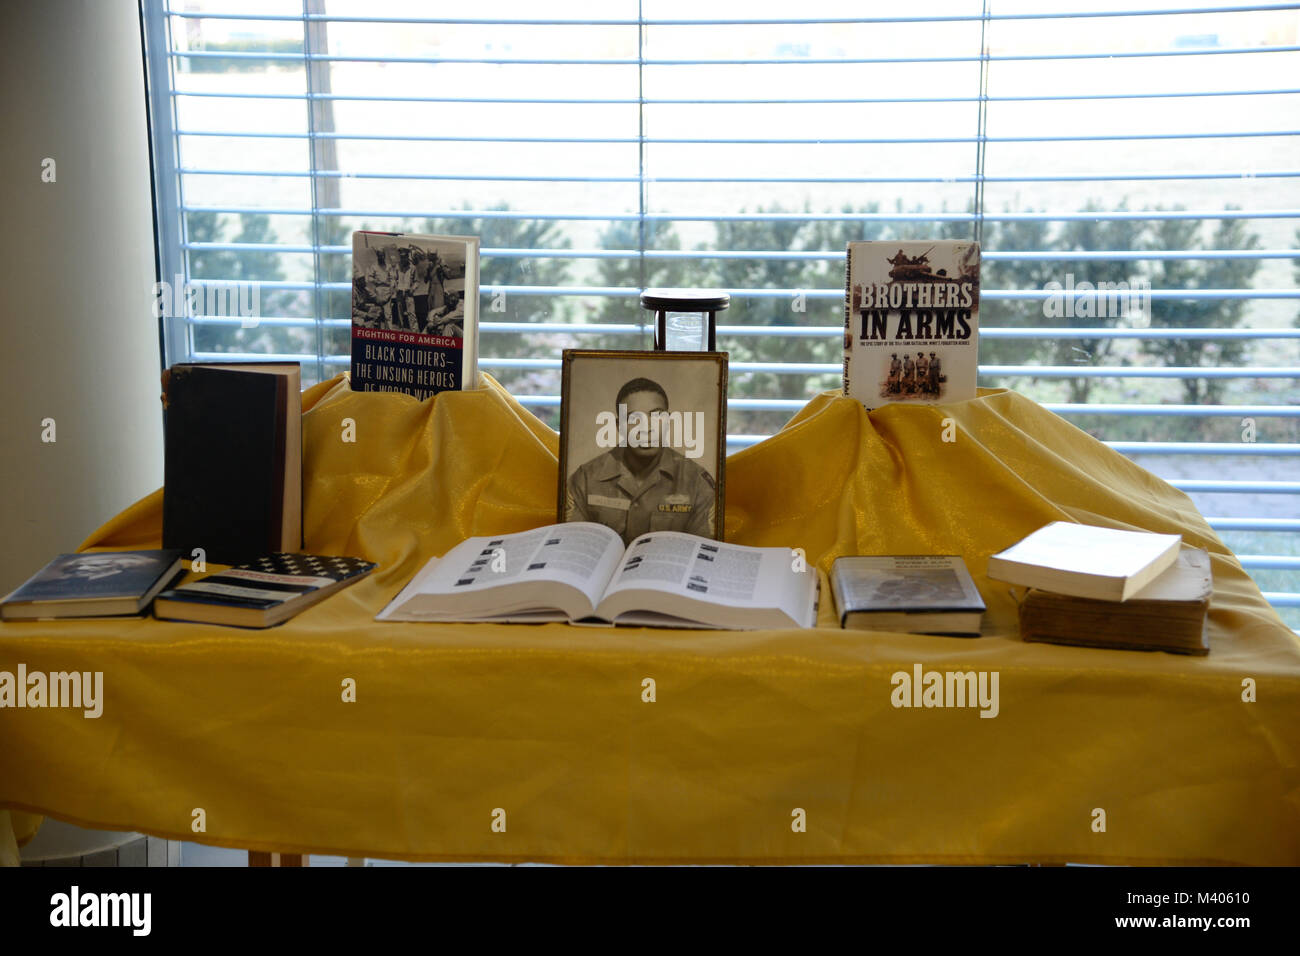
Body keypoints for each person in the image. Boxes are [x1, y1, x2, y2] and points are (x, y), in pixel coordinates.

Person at [565, 377, 716, 546]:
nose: (646, 428)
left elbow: (702, 556)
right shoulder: (586, 479)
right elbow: (573, 549)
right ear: (618, 426)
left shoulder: (696, 483)